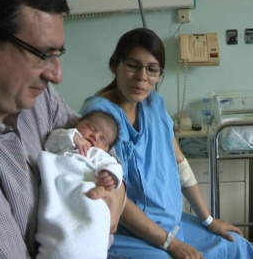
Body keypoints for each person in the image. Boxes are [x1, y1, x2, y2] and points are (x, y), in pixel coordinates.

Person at [80, 28, 253, 258]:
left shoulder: (155, 105)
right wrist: (170, 244)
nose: (142, 77)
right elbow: (115, 193)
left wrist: (208, 219)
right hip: (127, 231)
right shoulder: (98, 117)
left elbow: (179, 161)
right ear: (115, 66)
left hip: (171, 220)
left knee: (235, 244)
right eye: (133, 65)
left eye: (152, 70)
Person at [0, 0, 126, 258]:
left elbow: (100, 140)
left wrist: (118, 191)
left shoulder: (41, 100)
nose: (57, 75)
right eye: (42, 54)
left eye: (57, 53)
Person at [36, 111, 123, 259]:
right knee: (57, 239)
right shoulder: (64, 139)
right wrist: (73, 137)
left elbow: (115, 167)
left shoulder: (100, 155)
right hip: (60, 194)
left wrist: (110, 175)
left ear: (107, 149)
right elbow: (50, 143)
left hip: (87, 198)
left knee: (91, 228)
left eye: (103, 139)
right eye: (91, 128)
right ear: (77, 124)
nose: (95, 137)